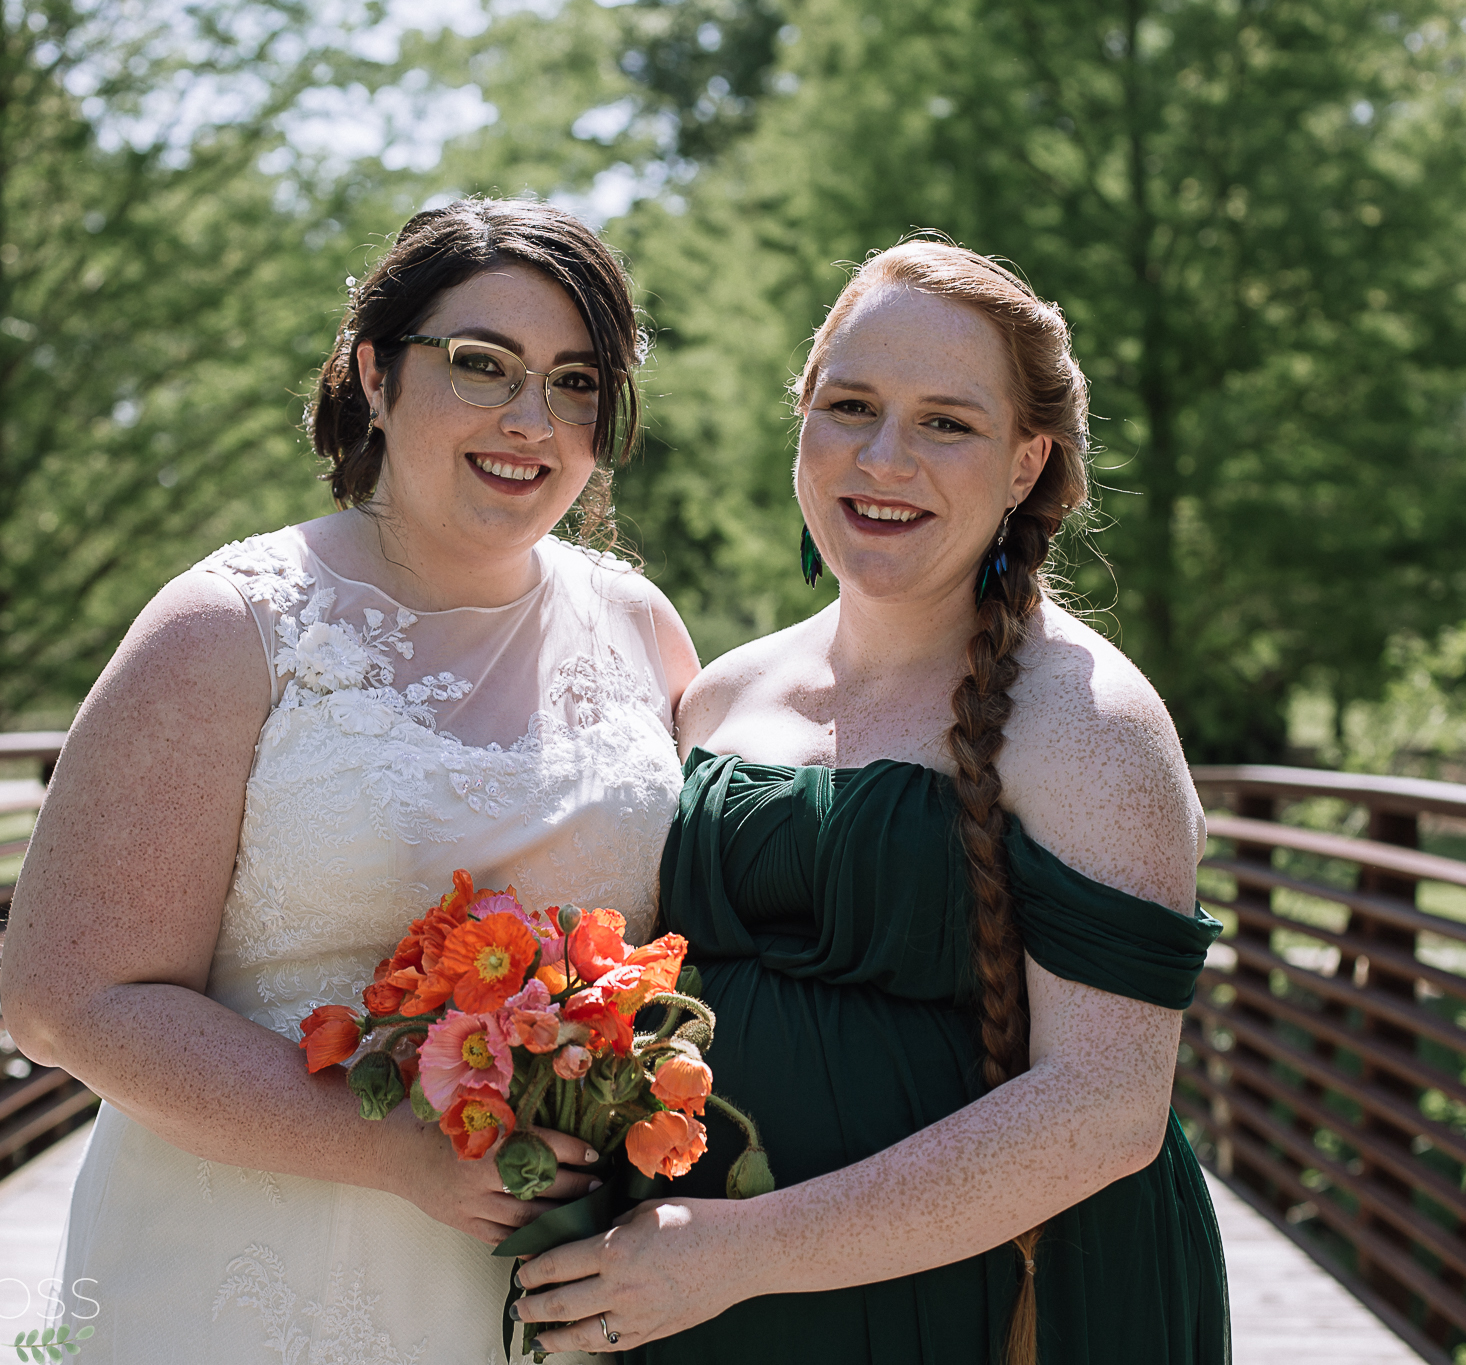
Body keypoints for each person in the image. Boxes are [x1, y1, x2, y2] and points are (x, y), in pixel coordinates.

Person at [0, 198, 699, 1364]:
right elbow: (66, 998)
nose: (531, 421)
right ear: (375, 373)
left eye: (575, 383)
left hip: (566, 1285)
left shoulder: (637, 625)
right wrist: (394, 1151)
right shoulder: (231, 628)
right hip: (260, 1274)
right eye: (482, 366)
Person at [511, 240, 1229, 1363]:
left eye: (946, 422)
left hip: (985, 1312)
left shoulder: (1089, 723)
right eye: (850, 406)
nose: (884, 457)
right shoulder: (721, 695)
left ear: (1025, 462)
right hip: (701, 1311)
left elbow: (1102, 1111)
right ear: (801, 422)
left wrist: (739, 1252)